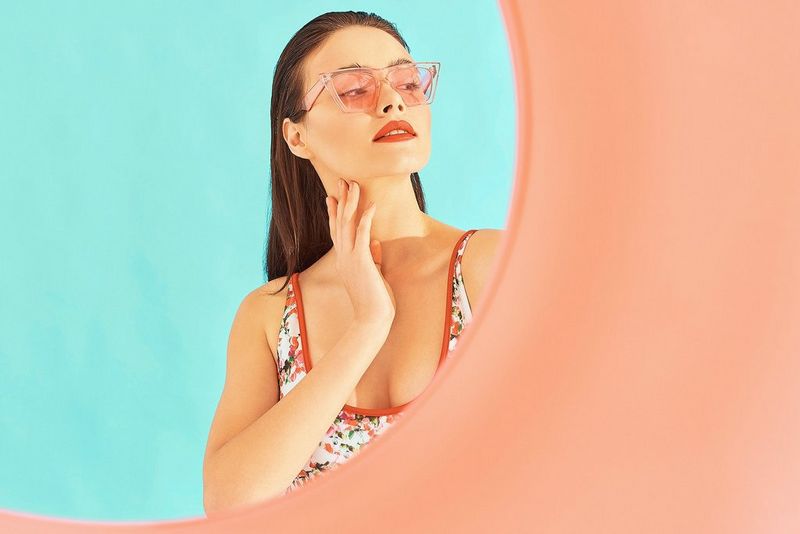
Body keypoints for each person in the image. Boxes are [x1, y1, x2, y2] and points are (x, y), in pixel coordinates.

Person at [202, 10, 504, 516]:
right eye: (353, 89)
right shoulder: (270, 316)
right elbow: (230, 505)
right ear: (296, 137)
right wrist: (368, 325)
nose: (391, 100)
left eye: (408, 81)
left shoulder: (489, 266)